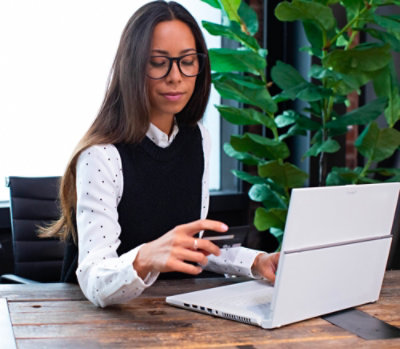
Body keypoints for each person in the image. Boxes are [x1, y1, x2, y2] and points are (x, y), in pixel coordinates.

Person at [41, 0, 279, 308]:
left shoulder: (198, 138)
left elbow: (190, 248)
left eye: (187, 61)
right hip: (99, 323)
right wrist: (145, 258)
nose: (175, 76)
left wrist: (255, 262)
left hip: (170, 314)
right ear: (134, 65)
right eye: (158, 62)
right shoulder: (101, 155)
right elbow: (94, 278)